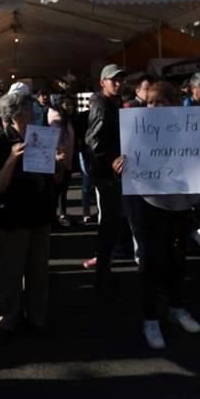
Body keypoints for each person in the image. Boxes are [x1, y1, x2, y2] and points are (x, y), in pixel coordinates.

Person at [114, 81, 200, 349]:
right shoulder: (137, 127)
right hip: (146, 202)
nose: (154, 108)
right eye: (151, 102)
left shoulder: (189, 129)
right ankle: (150, 318)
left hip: (178, 204)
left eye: (161, 103)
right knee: (151, 261)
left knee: (178, 259)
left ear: (174, 104)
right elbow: (120, 156)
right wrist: (117, 163)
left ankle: (177, 307)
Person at [0, 91, 66, 341]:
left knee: (38, 272)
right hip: (13, 217)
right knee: (10, 272)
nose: (34, 113)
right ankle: (7, 320)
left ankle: (36, 317)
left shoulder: (42, 139)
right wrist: (11, 160)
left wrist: (60, 163)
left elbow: (55, 179)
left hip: (40, 215)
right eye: (29, 110)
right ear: (15, 115)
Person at [85, 64, 127, 290]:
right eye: (114, 80)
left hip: (111, 174)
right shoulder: (102, 106)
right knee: (109, 225)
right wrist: (111, 161)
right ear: (103, 82)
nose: (119, 83)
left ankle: (104, 273)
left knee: (112, 225)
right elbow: (93, 142)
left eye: (121, 79)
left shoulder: (113, 103)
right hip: (108, 176)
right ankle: (102, 277)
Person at [47, 102, 75, 227]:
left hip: (66, 159)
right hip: (55, 160)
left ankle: (61, 214)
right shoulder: (55, 120)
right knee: (55, 191)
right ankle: (53, 217)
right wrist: (55, 156)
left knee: (62, 190)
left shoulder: (67, 121)